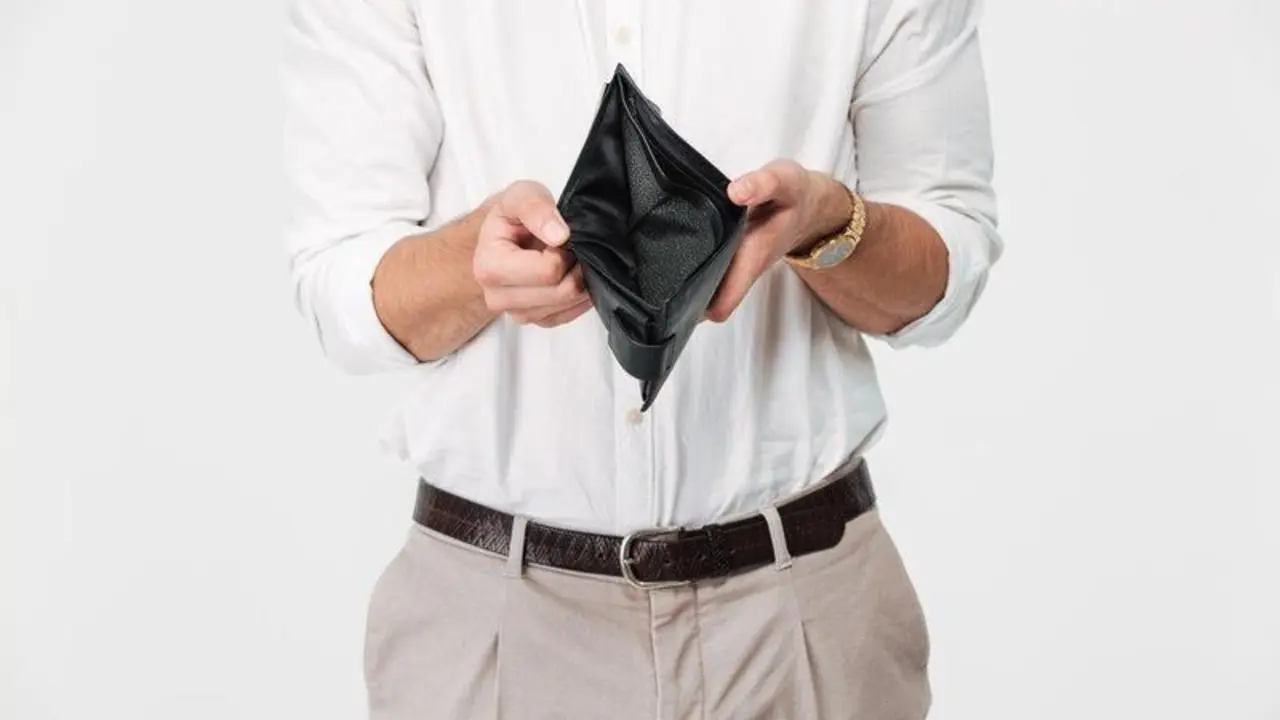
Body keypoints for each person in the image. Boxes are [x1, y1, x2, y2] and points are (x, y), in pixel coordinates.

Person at [283, 0, 1000, 717]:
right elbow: (342, 287)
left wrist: (830, 223)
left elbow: (944, 264)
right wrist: (476, 264)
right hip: (494, 623)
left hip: (802, 615)